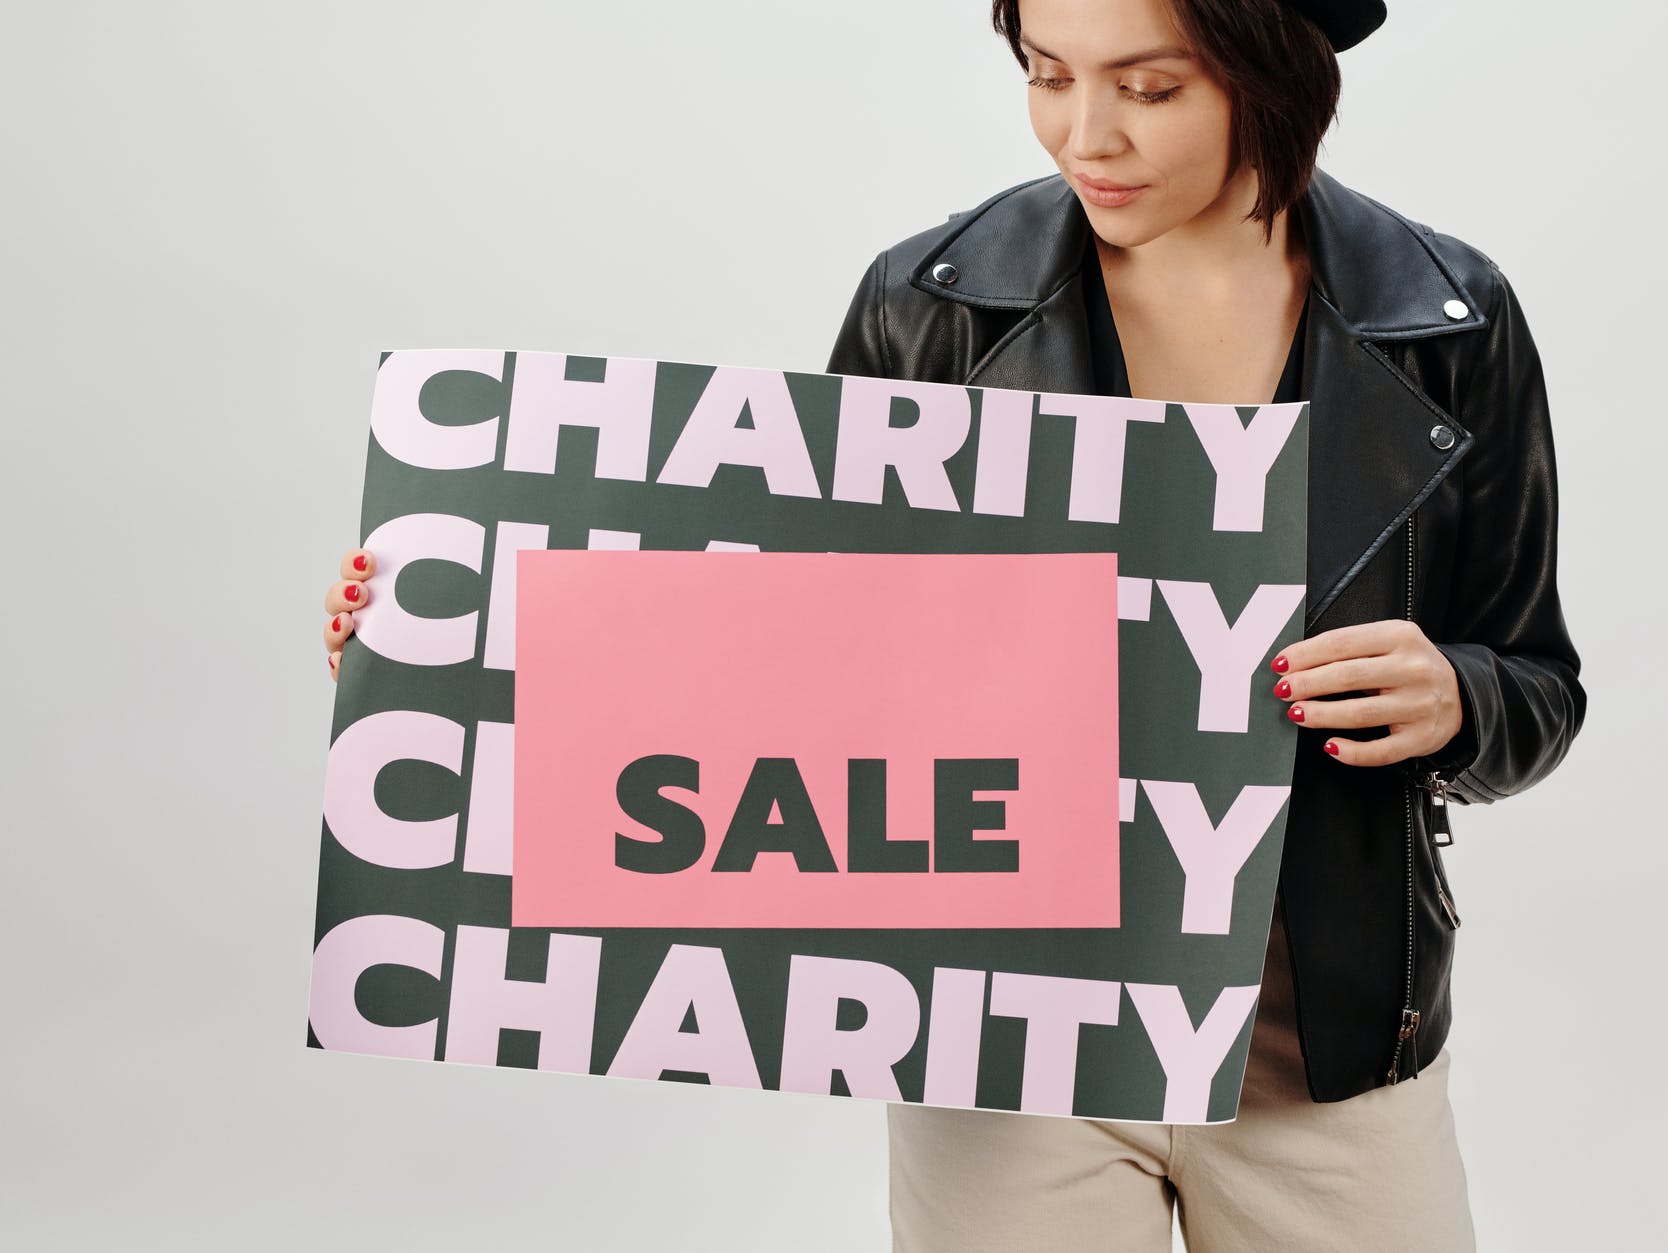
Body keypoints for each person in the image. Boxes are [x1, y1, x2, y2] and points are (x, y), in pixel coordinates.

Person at [321, 1, 1586, 1247]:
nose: (1084, 136)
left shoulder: (1445, 319)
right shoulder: (929, 304)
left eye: (1148, 89)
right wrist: (453, 637)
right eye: (1046, 75)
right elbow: (789, 654)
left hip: (1320, 1042)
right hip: (1004, 1037)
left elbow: (1535, 682)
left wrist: (1458, 699)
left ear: (1275, 76)